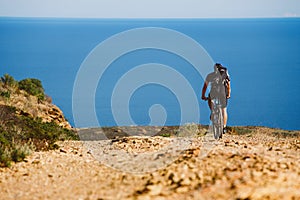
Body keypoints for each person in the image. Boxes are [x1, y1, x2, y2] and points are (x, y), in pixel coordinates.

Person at [201, 63, 231, 134]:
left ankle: (213, 111)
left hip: (214, 92)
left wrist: (203, 96)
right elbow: (228, 85)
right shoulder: (225, 74)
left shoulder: (210, 75)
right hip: (223, 92)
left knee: (210, 99)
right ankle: (224, 127)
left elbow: (205, 86)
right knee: (224, 110)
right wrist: (228, 94)